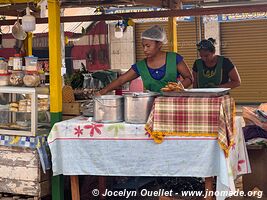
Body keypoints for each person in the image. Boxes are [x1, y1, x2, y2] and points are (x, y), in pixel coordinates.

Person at [97, 25, 193, 95]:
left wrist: (177, 89)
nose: (144, 50)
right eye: (143, 46)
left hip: (174, 103)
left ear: (159, 44)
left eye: (148, 46)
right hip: (151, 106)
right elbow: (121, 80)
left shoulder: (174, 58)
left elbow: (189, 78)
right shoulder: (141, 66)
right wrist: (102, 92)